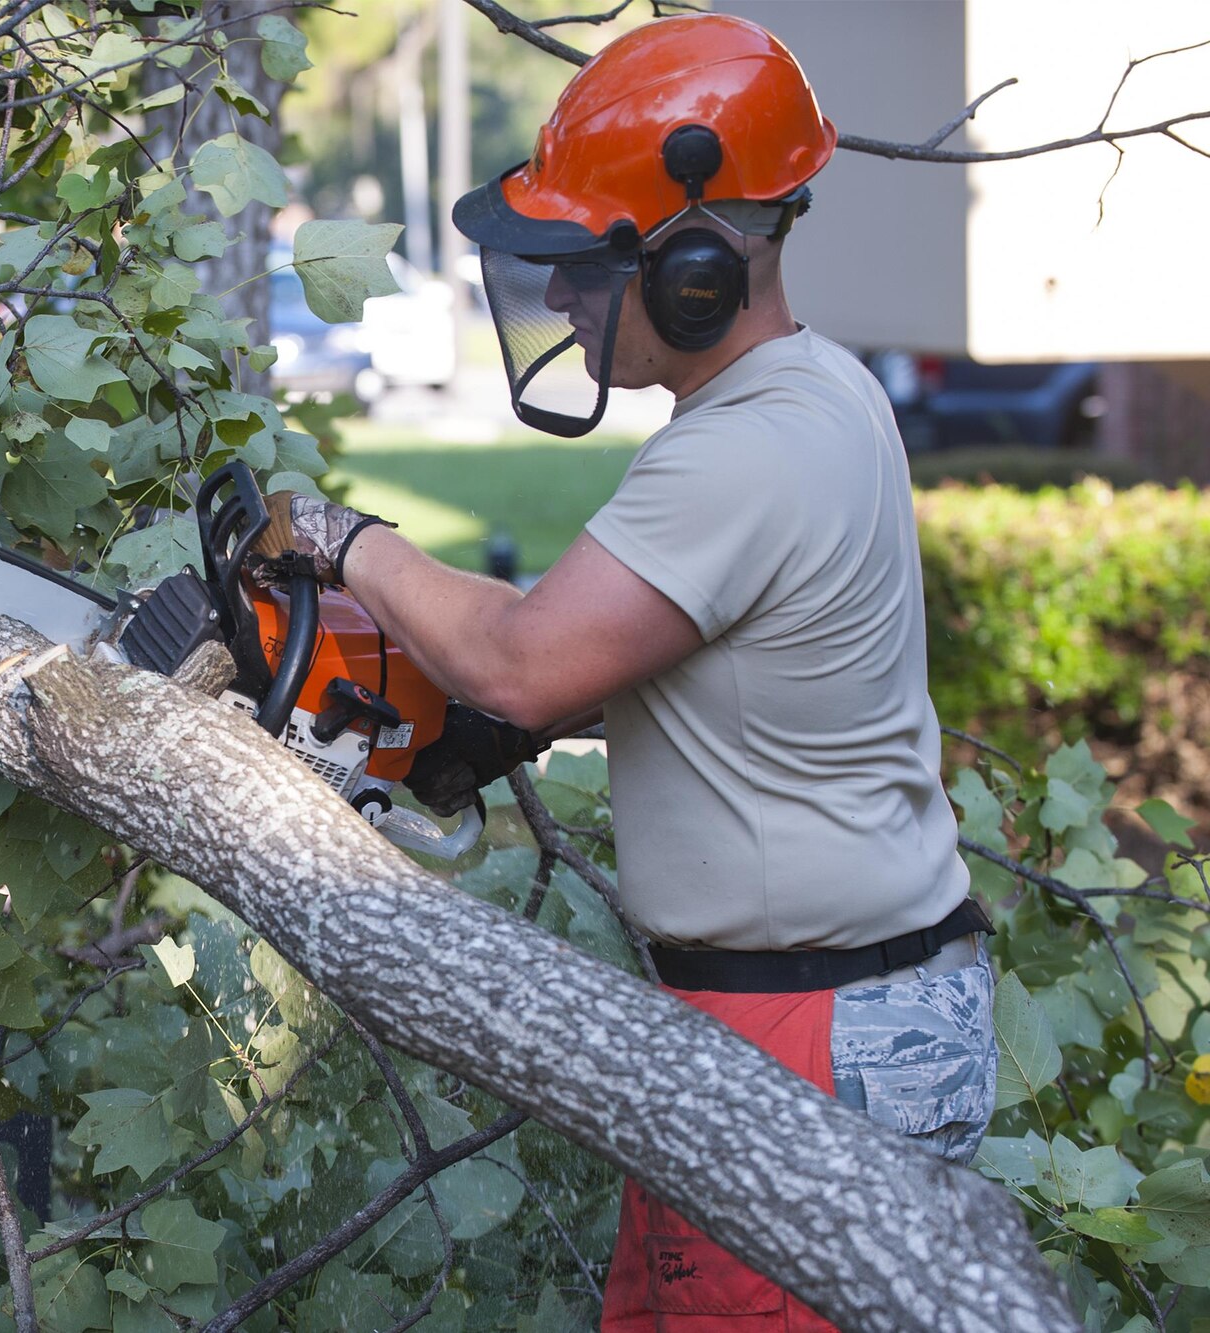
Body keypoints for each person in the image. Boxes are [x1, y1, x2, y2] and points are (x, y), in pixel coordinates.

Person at [251, 14, 996, 1330]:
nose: (564, 301)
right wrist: (471, 729)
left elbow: (528, 661)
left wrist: (340, 538)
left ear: (701, 270)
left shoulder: (746, 452)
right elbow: (657, 660)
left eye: (591, 267)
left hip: (811, 1038)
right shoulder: (818, 399)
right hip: (804, 1011)